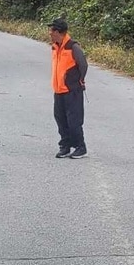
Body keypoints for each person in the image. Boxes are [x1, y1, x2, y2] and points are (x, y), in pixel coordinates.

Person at [49, 18, 88, 159]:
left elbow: (83, 65)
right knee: (60, 118)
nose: (50, 33)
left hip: (72, 90)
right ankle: (65, 146)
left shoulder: (73, 47)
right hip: (58, 90)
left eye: (52, 30)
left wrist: (80, 80)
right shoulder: (55, 46)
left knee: (74, 120)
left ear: (58, 32)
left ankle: (80, 147)